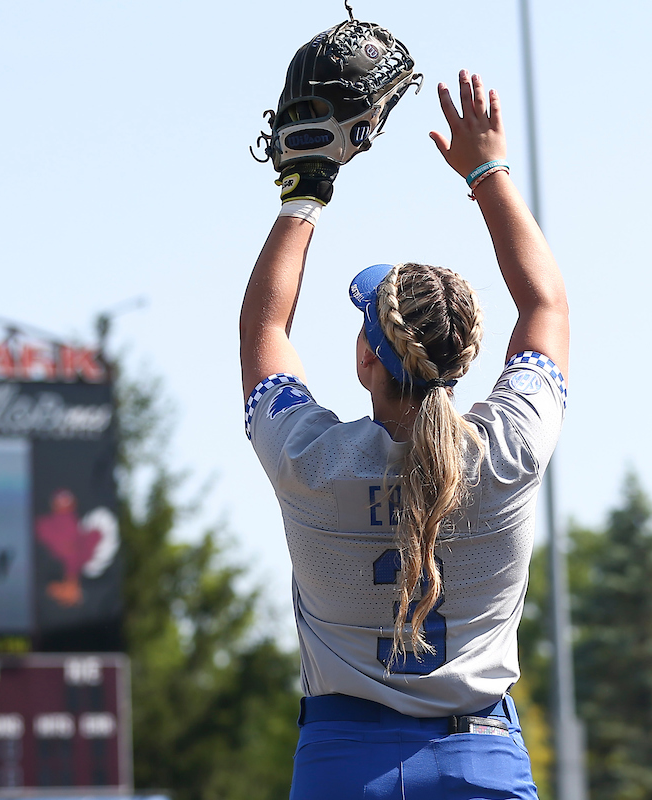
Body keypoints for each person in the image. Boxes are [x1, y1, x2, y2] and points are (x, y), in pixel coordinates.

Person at [239, 71, 568, 799]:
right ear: (463, 358)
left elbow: (265, 328)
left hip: (341, 763)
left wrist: (305, 189)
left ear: (366, 359)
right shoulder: (507, 451)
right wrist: (487, 170)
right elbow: (543, 304)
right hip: (479, 761)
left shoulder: (311, 461)